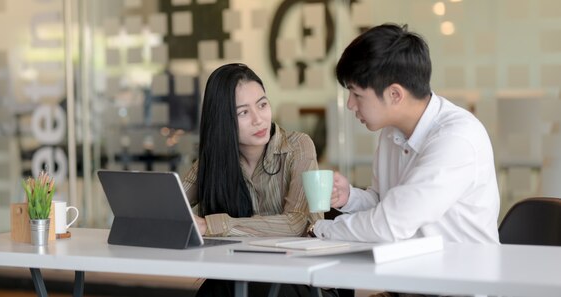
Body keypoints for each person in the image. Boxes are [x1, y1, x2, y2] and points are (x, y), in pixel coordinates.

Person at [309, 23, 500, 246]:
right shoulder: (392, 131)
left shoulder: (456, 138)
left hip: (462, 275)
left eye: (356, 94)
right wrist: (350, 197)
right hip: (411, 270)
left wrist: (318, 229)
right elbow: (386, 204)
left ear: (395, 94)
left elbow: (389, 224)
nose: (350, 105)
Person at [182, 63, 337, 297]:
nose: (258, 119)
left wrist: (212, 225)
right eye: (243, 112)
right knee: (215, 290)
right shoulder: (213, 161)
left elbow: (297, 223)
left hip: (305, 280)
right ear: (223, 120)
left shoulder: (298, 147)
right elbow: (173, 206)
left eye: (262, 105)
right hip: (244, 274)